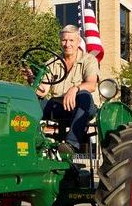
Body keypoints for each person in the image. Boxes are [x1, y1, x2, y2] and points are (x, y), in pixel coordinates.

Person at [23, 25, 101, 154]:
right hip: (59, 106)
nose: (67, 44)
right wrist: (32, 80)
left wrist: (74, 89)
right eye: (64, 40)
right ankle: (30, 142)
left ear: (78, 42)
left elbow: (92, 84)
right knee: (31, 102)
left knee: (84, 95)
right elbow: (43, 91)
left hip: (83, 107)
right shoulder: (52, 62)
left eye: (71, 40)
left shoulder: (89, 60)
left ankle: (71, 144)